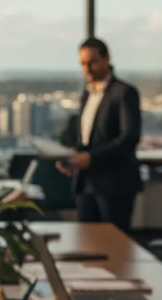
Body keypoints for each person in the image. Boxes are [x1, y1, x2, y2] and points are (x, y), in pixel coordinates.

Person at [56, 37, 142, 233]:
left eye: (92, 62)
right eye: (83, 64)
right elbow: (84, 138)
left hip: (114, 185)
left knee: (115, 245)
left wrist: (92, 158)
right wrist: (70, 158)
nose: (87, 68)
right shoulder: (87, 94)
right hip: (86, 183)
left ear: (107, 59)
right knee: (86, 242)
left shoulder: (124, 92)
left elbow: (129, 137)